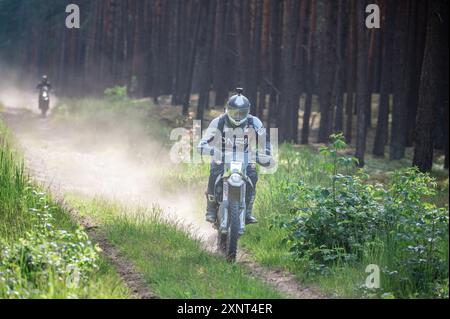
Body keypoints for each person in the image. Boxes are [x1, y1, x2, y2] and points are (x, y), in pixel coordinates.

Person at [197, 88, 273, 225]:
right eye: (234, 112)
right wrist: (210, 150)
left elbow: (265, 141)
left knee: (253, 175)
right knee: (214, 173)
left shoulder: (254, 122)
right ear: (227, 109)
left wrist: (265, 153)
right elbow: (203, 142)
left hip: (245, 156)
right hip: (221, 155)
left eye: (241, 113)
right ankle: (211, 210)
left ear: (248, 111)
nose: (237, 116)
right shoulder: (218, 122)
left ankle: (248, 211)